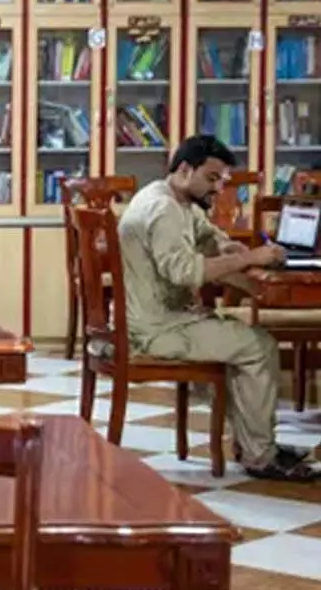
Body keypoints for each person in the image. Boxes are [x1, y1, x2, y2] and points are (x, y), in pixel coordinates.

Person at [118, 134, 313, 481]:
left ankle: (254, 445)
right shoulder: (163, 210)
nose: (219, 188)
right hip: (157, 329)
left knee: (242, 342)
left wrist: (229, 249)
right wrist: (251, 259)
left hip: (163, 319)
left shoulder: (172, 198)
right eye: (211, 178)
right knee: (258, 346)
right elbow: (184, 271)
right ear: (184, 169)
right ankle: (260, 456)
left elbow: (206, 237)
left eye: (221, 180)